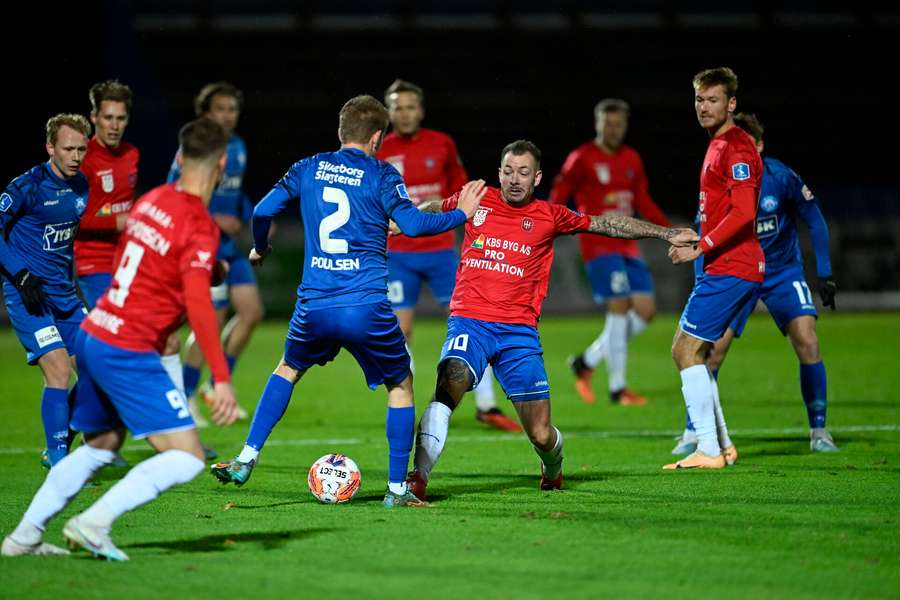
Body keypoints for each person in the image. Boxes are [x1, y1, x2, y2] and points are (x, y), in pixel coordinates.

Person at [210, 95, 485, 508]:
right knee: (401, 383)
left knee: (288, 368)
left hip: (314, 306)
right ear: (377, 138)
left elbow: (264, 210)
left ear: (341, 132)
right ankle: (396, 491)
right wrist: (461, 214)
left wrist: (260, 247)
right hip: (366, 306)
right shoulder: (381, 173)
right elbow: (411, 225)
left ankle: (247, 457)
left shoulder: (308, 167)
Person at [405, 140, 698, 500]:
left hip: (519, 334)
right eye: (509, 171)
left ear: (537, 177)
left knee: (542, 434)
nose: (515, 179)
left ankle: (552, 466)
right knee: (451, 379)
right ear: (499, 173)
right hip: (470, 321)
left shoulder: (551, 215)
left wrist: (666, 232)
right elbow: (437, 205)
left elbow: (608, 224)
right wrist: (404, 220)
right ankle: (417, 478)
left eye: (524, 172)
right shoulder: (478, 200)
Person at [1, 117, 238, 560]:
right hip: (127, 348)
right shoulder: (199, 225)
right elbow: (200, 307)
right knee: (187, 456)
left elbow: (155, 262)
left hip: (95, 332)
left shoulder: (150, 201)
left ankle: (24, 537)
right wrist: (220, 378)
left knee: (103, 443)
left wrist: (210, 269)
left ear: (179, 158)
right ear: (222, 162)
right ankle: (93, 523)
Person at [671, 113, 838, 456]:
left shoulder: (782, 177)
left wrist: (824, 272)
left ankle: (819, 430)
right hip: (735, 272)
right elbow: (703, 238)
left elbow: (815, 220)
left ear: (759, 145)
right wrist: (702, 284)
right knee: (710, 352)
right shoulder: (720, 177)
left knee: (807, 340)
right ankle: (696, 432)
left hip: (781, 272)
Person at [378, 79, 520, 432]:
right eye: (397, 106)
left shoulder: (441, 144)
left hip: (440, 251)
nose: (404, 112)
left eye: (410, 106)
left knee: (473, 323)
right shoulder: (380, 149)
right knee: (401, 330)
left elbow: (464, 191)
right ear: (388, 112)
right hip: (399, 253)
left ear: (421, 110)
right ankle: (405, 401)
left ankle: (486, 405)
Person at [665, 67, 764, 470]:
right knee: (698, 353)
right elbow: (724, 209)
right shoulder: (718, 145)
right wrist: (699, 235)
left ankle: (707, 448)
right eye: (699, 100)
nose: (704, 107)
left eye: (713, 100)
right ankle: (721, 444)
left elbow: (744, 211)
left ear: (732, 104)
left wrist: (702, 246)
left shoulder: (736, 148)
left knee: (684, 350)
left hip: (732, 266)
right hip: (727, 264)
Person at [550, 98, 672, 406]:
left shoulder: (631, 158)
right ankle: (618, 389)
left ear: (625, 126)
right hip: (598, 243)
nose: (613, 129)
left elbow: (642, 200)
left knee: (645, 311)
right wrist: (551, 225)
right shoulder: (582, 157)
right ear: (597, 124)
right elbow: (559, 195)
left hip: (628, 243)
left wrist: (669, 231)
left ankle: (587, 360)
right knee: (619, 305)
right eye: (608, 123)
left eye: (618, 123)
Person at [0, 114, 91, 468]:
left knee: (97, 368)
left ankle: (62, 436)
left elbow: (62, 246)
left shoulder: (81, 185)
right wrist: (21, 274)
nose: (76, 156)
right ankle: (59, 462)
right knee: (58, 370)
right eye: (68, 148)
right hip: (29, 296)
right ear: (50, 148)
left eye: (82, 149)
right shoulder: (27, 187)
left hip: (65, 296)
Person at [169, 82, 261, 423]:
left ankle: (213, 384)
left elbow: (237, 193)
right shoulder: (193, 148)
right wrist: (215, 219)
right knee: (213, 316)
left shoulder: (237, 146)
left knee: (251, 312)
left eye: (232, 109)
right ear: (206, 113)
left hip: (229, 246)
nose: (227, 115)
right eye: (220, 109)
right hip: (203, 245)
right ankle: (187, 393)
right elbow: (175, 194)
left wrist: (255, 218)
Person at [75, 80, 139, 308]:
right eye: (108, 118)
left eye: (120, 119)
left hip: (127, 257)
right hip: (93, 261)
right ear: (94, 117)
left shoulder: (131, 154)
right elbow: (70, 219)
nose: (114, 126)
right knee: (114, 331)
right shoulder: (83, 160)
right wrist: (115, 222)